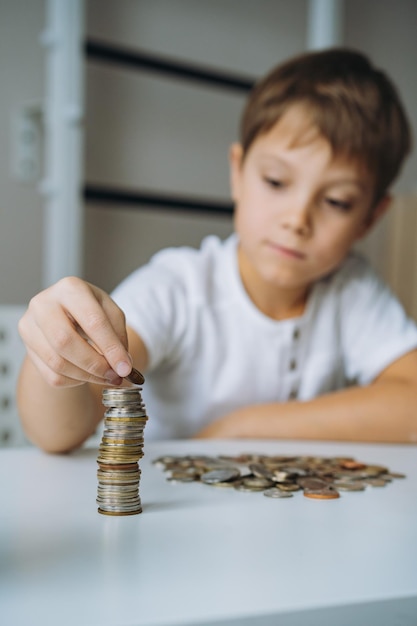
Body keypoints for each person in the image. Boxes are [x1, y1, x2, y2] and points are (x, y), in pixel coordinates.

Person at [17, 47, 417, 453]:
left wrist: (246, 429)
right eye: (276, 181)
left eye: (338, 202)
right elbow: (56, 433)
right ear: (238, 172)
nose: (298, 219)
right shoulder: (178, 288)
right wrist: (53, 354)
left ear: (370, 218)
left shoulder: (355, 291)